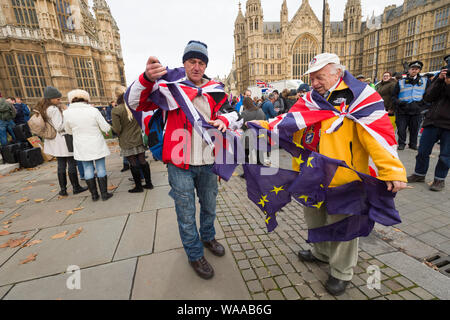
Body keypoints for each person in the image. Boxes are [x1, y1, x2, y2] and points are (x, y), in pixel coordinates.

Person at [253, 53, 407, 295]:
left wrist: (393, 170)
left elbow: (379, 138)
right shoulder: (311, 99)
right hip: (312, 176)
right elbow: (288, 122)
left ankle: (341, 272)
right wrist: (255, 127)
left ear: (337, 72)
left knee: (343, 226)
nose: (314, 82)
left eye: (319, 77)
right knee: (314, 218)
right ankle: (320, 253)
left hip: (345, 179)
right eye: (312, 77)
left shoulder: (361, 99)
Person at [126, 40, 241, 280]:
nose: (197, 67)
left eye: (201, 62)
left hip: (208, 163)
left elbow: (233, 112)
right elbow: (135, 102)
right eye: (192, 61)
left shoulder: (215, 89)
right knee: (186, 213)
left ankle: (208, 237)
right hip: (180, 165)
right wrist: (146, 78)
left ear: (205, 65)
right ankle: (194, 253)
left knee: (209, 207)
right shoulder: (169, 89)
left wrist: (226, 120)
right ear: (184, 63)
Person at [35, 86, 87, 196]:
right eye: (57, 99)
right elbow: (59, 126)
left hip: (54, 141)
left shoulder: (44, 109)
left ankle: (63, 190)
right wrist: (67, 118)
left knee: (61, 164)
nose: (60, 100)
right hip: (63, 139)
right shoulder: (53, 110)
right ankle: (76, 187)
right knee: (71, 163)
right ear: (50, 98)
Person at [63, 89, 113, 202]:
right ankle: (104, 194)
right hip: (96, 142)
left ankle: (94, 195)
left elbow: (68, 130)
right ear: (86, 99)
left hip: (81, 144)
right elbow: (105, 127)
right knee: (100, 168)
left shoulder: (67, 113)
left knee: (87, 169)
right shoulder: (93, 110)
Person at [407, 63, 450, 192]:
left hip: (448, 125)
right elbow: (428, 97)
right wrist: (439, 81)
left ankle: (439, 179)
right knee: (422, 151)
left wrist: (448, 84)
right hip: (432, 121)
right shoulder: (439, 79)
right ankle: (419, 174)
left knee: (445, 155)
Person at [111, 86, 153, 193]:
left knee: (133, 163)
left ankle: (138, 186)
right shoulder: (134, 106)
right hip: (139, 138)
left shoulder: (116, 110)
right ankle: (149, 183)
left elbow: (117, 129)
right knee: (143, 160)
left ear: (116, 96)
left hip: (126, 140)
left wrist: (111, 129)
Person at [392, 61, 429, 150]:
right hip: (402, 109)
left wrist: (423, 105)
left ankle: (413, 144)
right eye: (412, 69)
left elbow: (428, 95)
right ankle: (401, 143)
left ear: (419, 70)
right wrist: (399, 103)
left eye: (416, 69)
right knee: (401, 129)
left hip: (416, 110)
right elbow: (393, 96)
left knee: (414, 128)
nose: (414, 71)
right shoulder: (401, 81)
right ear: (408, 70)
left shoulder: (425, 81)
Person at [241, 97, 265, 168]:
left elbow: (242, 126)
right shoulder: (260, 111)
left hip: (248, 137)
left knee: (245, 155)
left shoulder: (244, 114)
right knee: (259, 156)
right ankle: (260, 170)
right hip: (259, 136)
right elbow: (264, 121)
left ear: (245, 105)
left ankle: (247, 172)